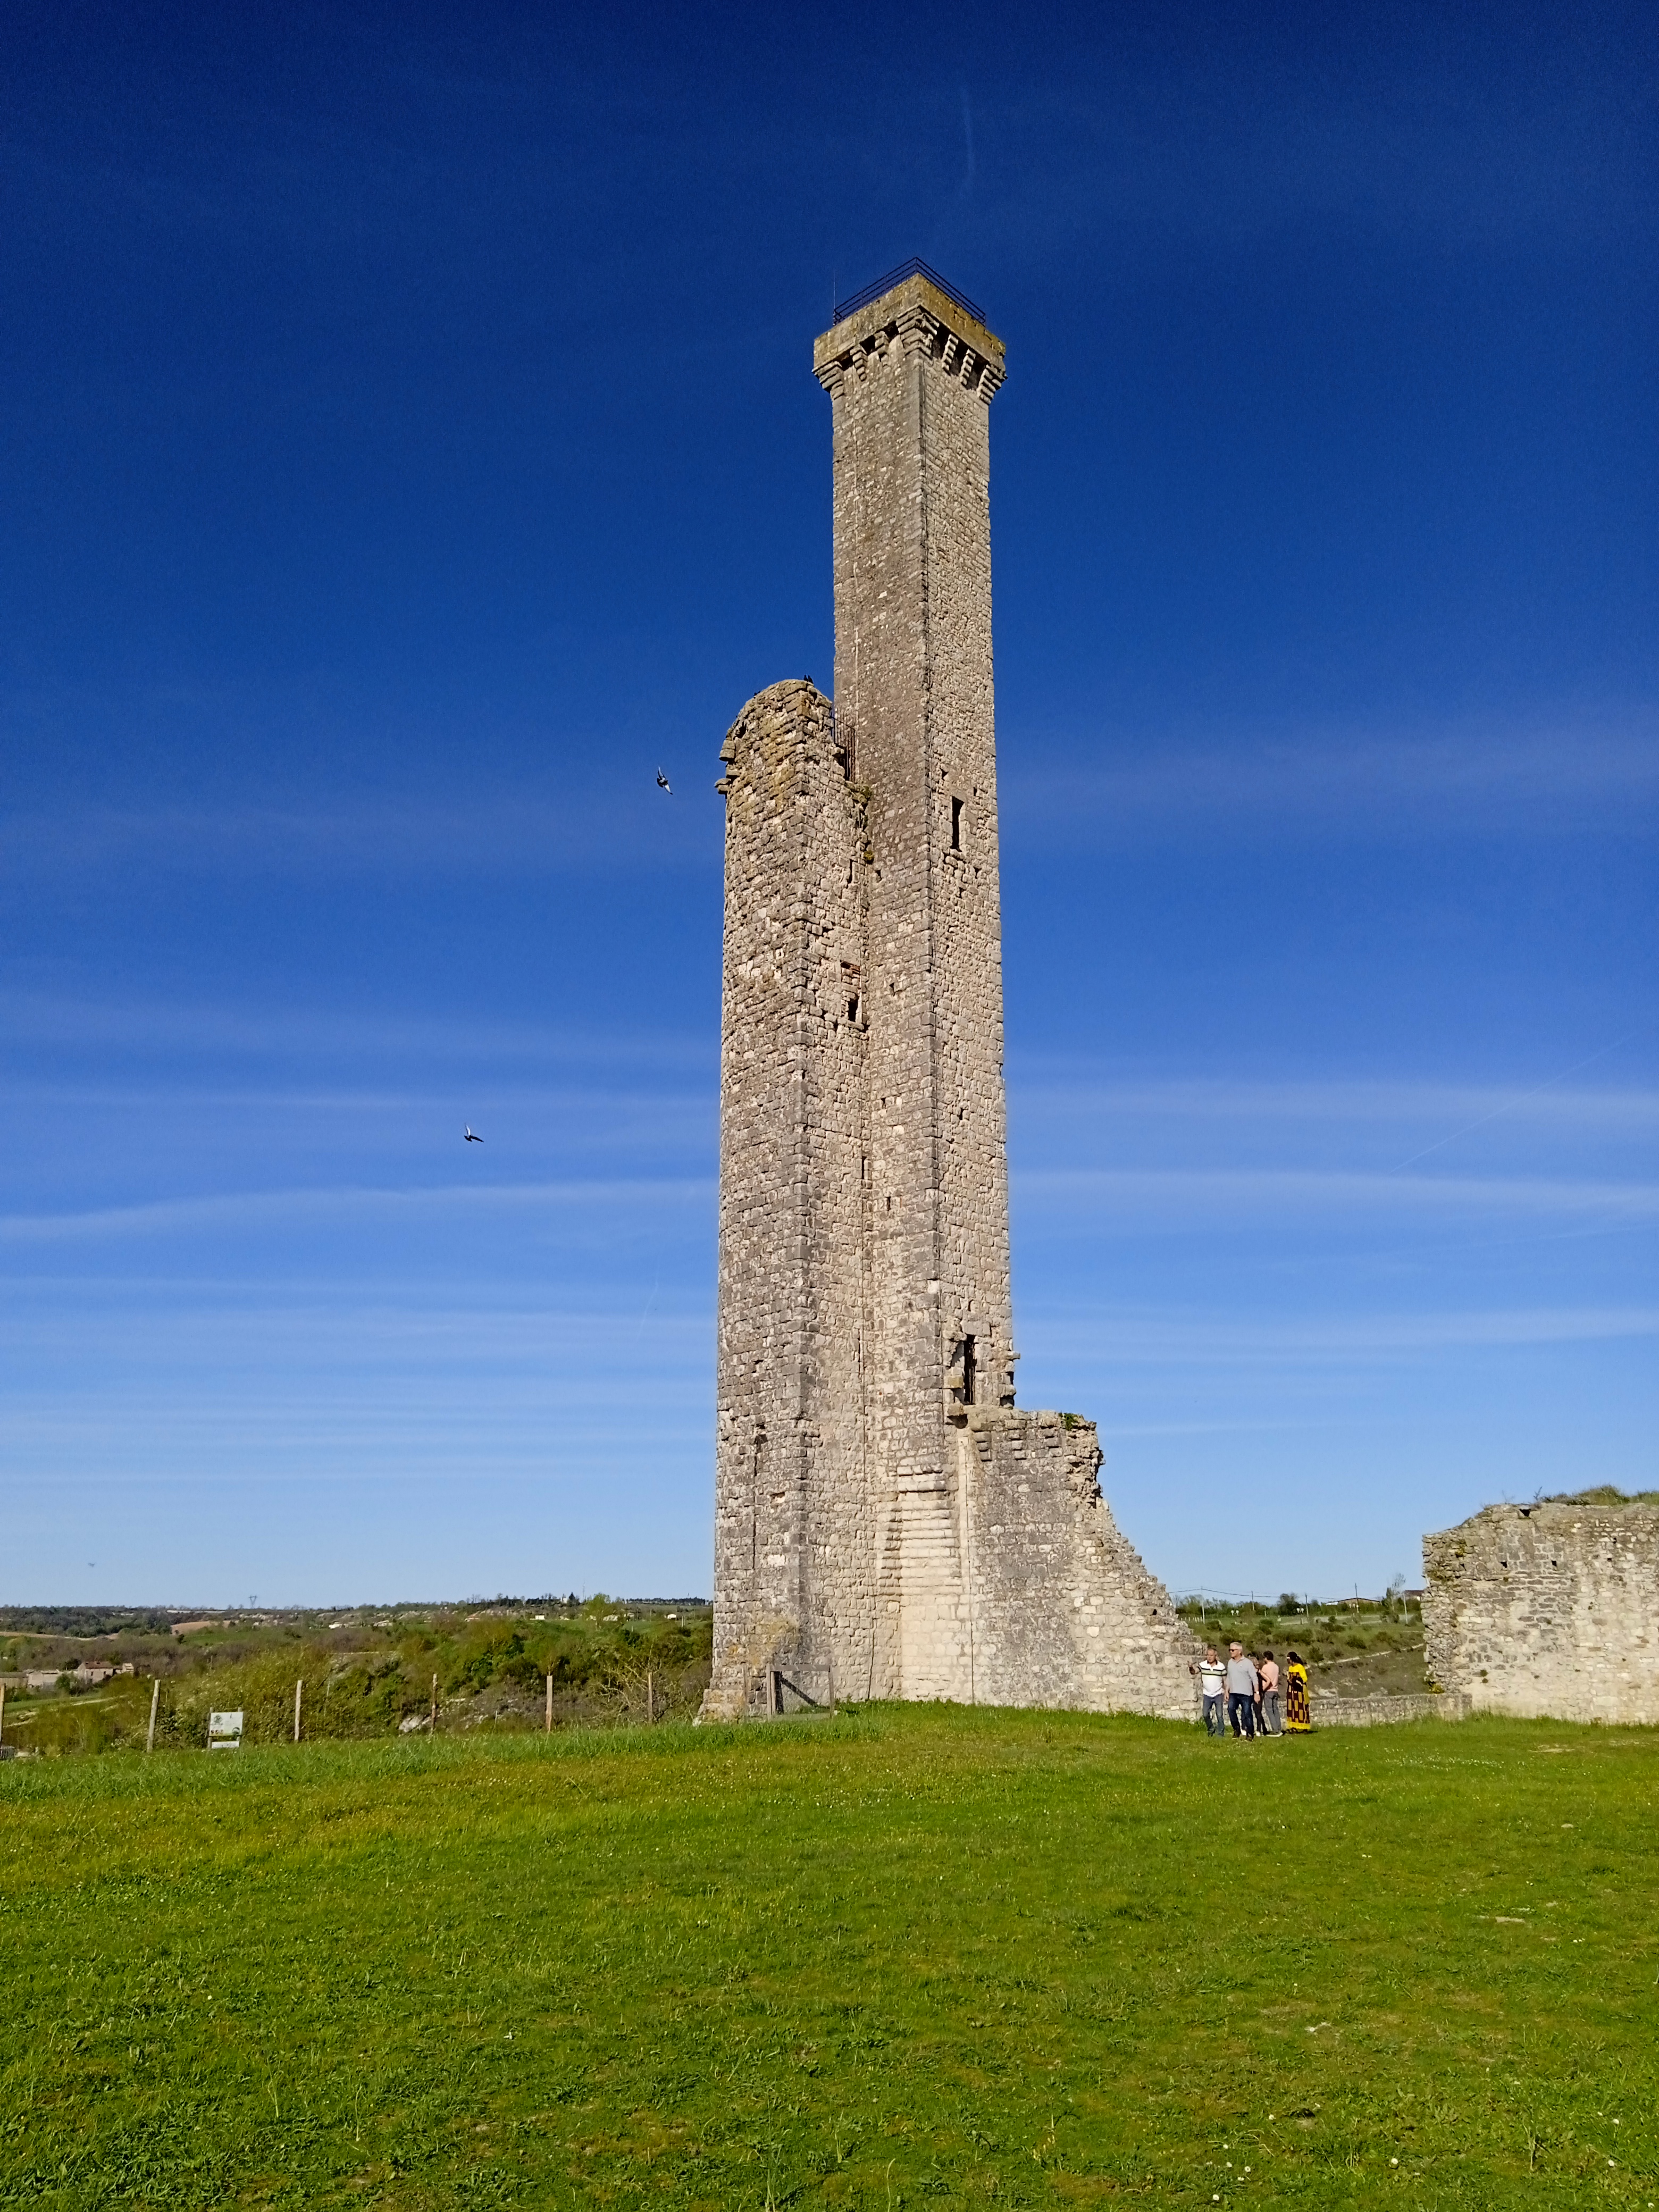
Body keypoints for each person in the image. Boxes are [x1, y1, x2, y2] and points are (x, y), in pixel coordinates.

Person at [1224, 1641, 1259, 1739]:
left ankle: (1250, 1733)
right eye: (1230, 1650)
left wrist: (1257, 1693)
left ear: (1239, 1651)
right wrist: (1227, 1690)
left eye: (1233, 1650)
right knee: (1231, 1710)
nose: (1231, 1652)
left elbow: (1254, 1679)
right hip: (1234, 1693)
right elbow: (1229, 1678)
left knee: (1247, 1713)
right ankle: (1237, 1729)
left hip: (1246, 1694)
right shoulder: (1230, 1663)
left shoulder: (1248, 1663)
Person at [1195, 1645, 1227, 1737]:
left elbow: (1225, 1680)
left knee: (1220, 1715)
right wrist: (1191, 1668)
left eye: (1211, 1655)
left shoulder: (1221, 1666)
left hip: (1218, 1694)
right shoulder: (1203, 1665)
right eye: (1208, 1655)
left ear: (1215, 1656)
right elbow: (1194, 1672)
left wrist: (1227, 1691)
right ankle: (1211, 1728)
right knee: (1205, 1714)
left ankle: (1221, 1734)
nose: (1209, 1657)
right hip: (1207, 1694)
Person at [1283, 1650, 1311, 1733]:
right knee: (1292, 1709)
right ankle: (1294, 1727)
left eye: (1288, 1658)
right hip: (1291, 1690)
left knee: (1301, 1708)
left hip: (1299, 1690)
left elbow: (1304, 1678)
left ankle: (1304, 1727)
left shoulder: (1300, 1667)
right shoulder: (1290, 1668)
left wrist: (1295, 1681)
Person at [1258, 1650, 1283, 1736]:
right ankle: (1279, 1728)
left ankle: (1275, 1730)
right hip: (1275, 1690)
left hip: (1268, 1690)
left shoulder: (1265, 1667)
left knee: (1270, 1711)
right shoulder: (1276, 1667)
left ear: (1266, 1658)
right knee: (1276, 1710)